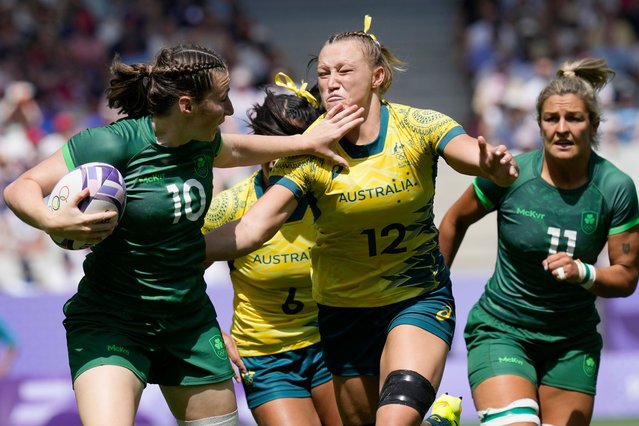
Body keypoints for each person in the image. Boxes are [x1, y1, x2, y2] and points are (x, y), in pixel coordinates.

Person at [2, 43, 363, 426]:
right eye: (221, 100)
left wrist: (304, 142)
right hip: (114, 320)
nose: (229, 111)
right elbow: (20, 187)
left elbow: (238, 148)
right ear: (187, 105)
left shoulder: (203, 143)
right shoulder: (113, 143)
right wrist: (51, 220)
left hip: (188, 322)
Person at [204, 16, 517, 426]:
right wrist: (173, 249)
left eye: (345, 71)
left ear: (378, 76)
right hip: (343, 313)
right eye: (324, 73)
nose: (331, 82)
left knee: (394, 419)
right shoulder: (309, 154)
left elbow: (467, 152)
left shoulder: (420, 126)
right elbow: (250, 229)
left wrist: (491, 165)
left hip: (416, 299)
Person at [438, 57, 639, 426]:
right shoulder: (510, 174)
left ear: (593, 123)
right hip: (502, 330)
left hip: (572, 342)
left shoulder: (616, 189)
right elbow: (453, 220)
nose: (562, 129)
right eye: (551, 119)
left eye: (574, 118)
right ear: (540, 124)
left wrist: (584, 272)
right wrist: (432, 294)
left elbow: (626, 277)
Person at [202, 73, 342, 426]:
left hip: (333, 344)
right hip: (265, 358)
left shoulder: (333, 199)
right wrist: (209, 328)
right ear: (261, 145)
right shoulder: (229, 207)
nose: (290, 159)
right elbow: (179, 272)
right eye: (282, 148)